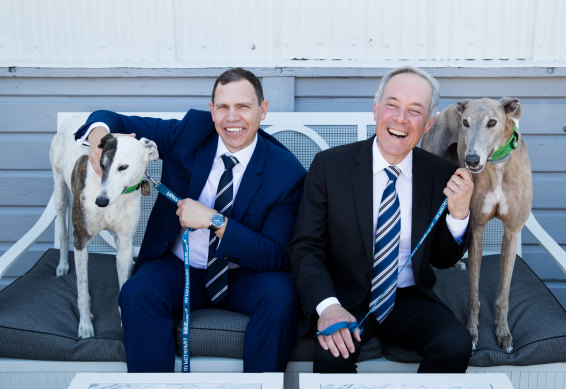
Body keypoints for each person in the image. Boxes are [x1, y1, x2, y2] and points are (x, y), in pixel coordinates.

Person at [74, 67, 306, 373]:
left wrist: (215, 220)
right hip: (179, 266)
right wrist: (98, 135)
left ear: (262, 111)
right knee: (137, 293)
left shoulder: (286, 171)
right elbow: (111, 117)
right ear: (211, 111)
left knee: (282, 296)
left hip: (245, 275)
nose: (232, 117)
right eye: (223, 107)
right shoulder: (189, 132)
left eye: (243, 107)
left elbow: (274, 255)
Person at [288, 66, 474, 373]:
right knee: (333, 354)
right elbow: (305, 247)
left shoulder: (439, 174)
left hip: (407, 297)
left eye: (415, 111)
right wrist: (328, 307)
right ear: (376, 110)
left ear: (428, 123)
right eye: (392, 105)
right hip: (346, 298)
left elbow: (442, 260)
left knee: (454, 344)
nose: (400, 119)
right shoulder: (329, 166)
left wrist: (459, 213)